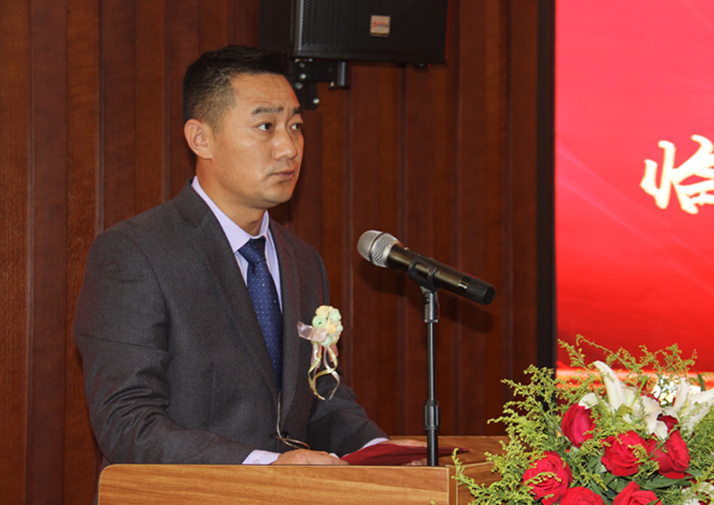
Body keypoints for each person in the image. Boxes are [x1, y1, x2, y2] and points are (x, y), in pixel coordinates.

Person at [74, 45, 417, 467]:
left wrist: (380, 452)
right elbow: (127, 422)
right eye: (266, 126)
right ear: (201, 139)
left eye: (295, 126)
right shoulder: (136, 252)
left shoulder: (302, 260)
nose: (289, 148)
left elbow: (321, 396)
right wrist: (265, 466)